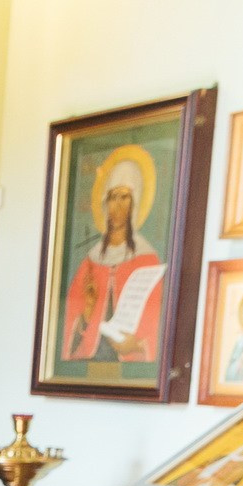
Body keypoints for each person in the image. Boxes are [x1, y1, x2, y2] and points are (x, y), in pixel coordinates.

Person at [61, 149, 164, 363]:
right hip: (89, 357)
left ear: (134, 203)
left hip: (128, 361)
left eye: (124, 197)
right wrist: (87, 312)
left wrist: (135, 343)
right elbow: (69, 318)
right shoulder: (92, 260)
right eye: (112, 197)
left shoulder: (147, 260)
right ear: (105, 203)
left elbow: (156, 321)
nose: (117, 206)